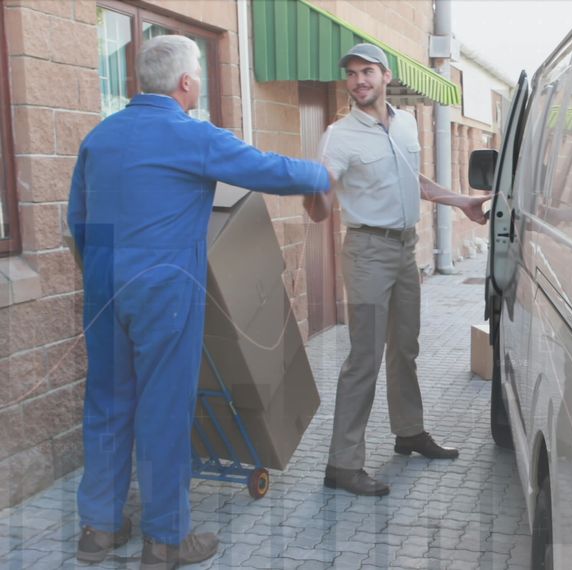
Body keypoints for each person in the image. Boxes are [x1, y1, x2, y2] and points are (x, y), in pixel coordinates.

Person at [68, 35, 332, 568]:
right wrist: (321, 175)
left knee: (107, 403)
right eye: (199, 78)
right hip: (162, 290)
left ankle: (99, 528)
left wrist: (104, 275)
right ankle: (166, 538)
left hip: (102, 287)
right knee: (164, 408)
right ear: (187, 83)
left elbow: (78, 219)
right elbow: (266, 168)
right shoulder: (189, 135)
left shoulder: (100, 136)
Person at [320, 43, 489, 496]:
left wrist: (463, 202)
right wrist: (313, 192)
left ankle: (409, 431)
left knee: (405, 349)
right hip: (367, 251)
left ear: (386, 74)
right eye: (352, 73)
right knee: (364, 357)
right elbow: (321, 204)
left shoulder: (407, 123)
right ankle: (342, 463)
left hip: (404, 249)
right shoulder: (339, 136)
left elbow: (414, 181)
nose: (359, 80)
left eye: (367, 71)